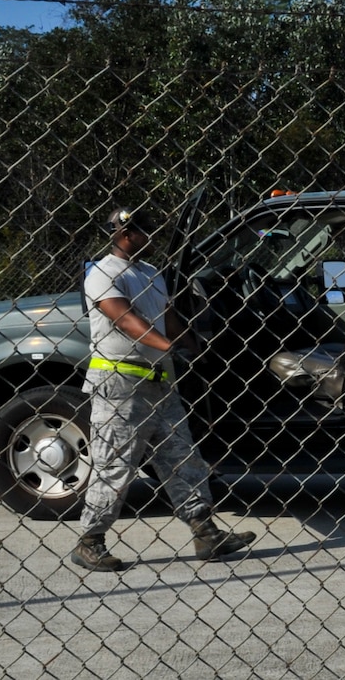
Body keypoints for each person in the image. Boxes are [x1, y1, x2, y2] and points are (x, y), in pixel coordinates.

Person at [70, 207, 258, 572]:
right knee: (115, 465)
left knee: (182, 459)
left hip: (159, 384)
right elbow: (124, 318)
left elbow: (167, 315)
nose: (152, 238)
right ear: (125, 235)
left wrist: (193, 345)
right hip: (120, 384)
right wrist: (168, 348)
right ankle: (89, 541)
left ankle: (205, 532)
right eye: (146, 231)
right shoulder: (102, 273)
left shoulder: (151, 274)